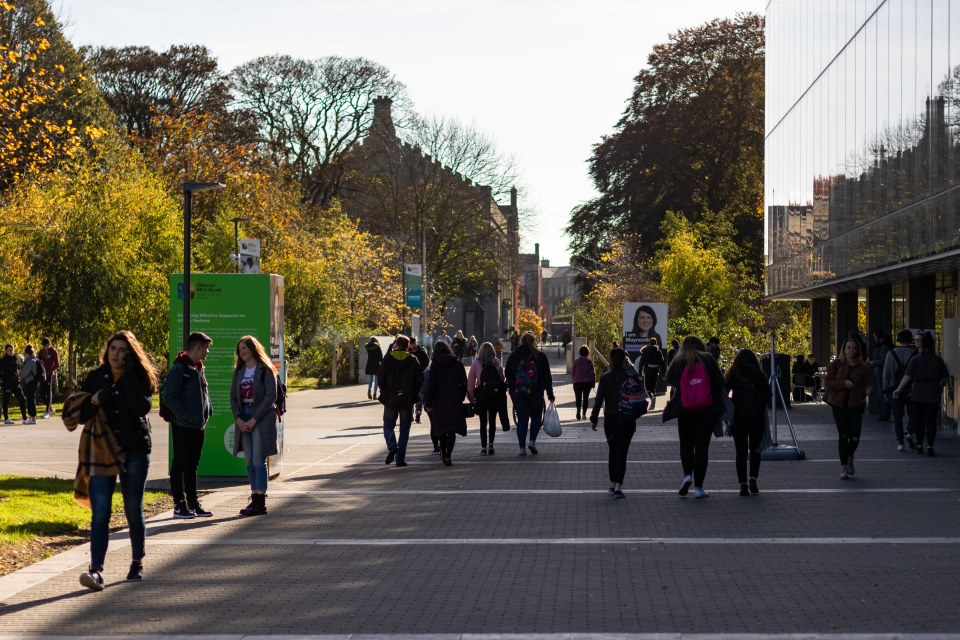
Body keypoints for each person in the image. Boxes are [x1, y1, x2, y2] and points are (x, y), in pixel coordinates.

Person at [71, 330, 158, 590]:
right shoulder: (96, 377)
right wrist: (96, 399)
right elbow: (81, 414)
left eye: (122, 350)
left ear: (130, 354)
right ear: (106, 352)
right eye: (113, 349)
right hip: (102, 452)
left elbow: (141, 408)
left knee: (133, 508)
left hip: (134, 450)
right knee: (100, 513)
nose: (117, 355)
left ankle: (136, 561)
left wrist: (129, 376)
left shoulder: (139, 376)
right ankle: (96, 570)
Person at [664, 336, 725, 498]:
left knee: (686, 444)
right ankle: (699, 488)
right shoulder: (708, 359)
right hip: (707, 409)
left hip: (685, 409)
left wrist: (685, 386)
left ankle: (687, 475)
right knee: (702, 448)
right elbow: (719, 383)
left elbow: (668, 379)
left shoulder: (679, 361)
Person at [163, 332, 214, 519]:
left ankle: (193, 502)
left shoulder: (198, 368)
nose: (207, 351)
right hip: (183, 426)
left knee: (192, 465)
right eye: (206, 347)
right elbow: (169, 397)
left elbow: (203, 395)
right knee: (180, 464)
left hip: (197, 426)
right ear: (198, 347)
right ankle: (179, 504)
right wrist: (186, 415)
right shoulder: (180, 368)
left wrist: (207, 411)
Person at [229, 335, 279, 516]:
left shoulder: (265, 369)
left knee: (259, 460)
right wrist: (239, 419)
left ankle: (260, 499)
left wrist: (254, 419)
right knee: (249, 460)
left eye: (245, 348)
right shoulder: (239, 371)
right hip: (244, 418)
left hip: (260, 418)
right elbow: (233, 398)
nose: (242, 352)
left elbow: (270, 397)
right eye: (239, 349)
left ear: (253, 348)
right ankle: (253, 495)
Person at [589, 348, 641, 498]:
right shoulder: (630, 376)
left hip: (611, 418)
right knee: (622, 453)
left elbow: (599, 400)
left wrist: (594, 418)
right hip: (627, 418)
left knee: (613, 452)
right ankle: (619, 486)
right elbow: (638, 395)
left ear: (611, 359)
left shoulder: (605, 377)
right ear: (624, 359)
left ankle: (612, 484)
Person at [824, 337, 874, 480]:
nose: (851, 350)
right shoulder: (836, 365)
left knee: (855, 436)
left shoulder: (863, 367)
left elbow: (867, 383)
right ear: (844, 350)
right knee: (843, 435)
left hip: (855, 404)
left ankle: (850, 456)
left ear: (858, 350)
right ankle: (844, 467)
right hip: (838, 404)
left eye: (854, 348)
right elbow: (828, 383)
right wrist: (843, 384)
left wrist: (869, 390)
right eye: (848, 348)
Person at [893, 331, 949, 457]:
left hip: (917, 392)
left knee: (919, 420)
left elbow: (907, 376)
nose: (916, 342)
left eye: (919, 340)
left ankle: (919, 445)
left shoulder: (916, 359)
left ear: (923, 344)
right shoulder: (937, 360)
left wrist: (898, 389)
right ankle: (930, 445)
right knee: (931, 421)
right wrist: (939, 387)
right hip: (932, 392)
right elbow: (945, 377)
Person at [724, 348, 771, 496]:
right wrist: (760, 405)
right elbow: (768, 394)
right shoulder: (758, 374)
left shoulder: (734, 373)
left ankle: (742, 484)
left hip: (738, 418)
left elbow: (725, 392)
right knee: (755, 450)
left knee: (741, 452)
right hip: (755, 417)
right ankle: (753, 480)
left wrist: (732, 403)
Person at [505, 332, 554, 456]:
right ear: (534, 341)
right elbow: (547, 377)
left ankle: (522, 448)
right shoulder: (540, 356)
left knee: (522, 419)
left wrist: (511, 388)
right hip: (536, 392)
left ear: (521, 341)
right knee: (536, 418)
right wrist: (550, 394)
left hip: (518, 393)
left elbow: (507, 374)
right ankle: (532, 441)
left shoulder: (514, 356)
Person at [377, 334, 423, 467]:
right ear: (408, 346)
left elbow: (380, 377)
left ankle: (392, 445)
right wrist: (412, 392)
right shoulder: (413, 360)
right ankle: (400, 459)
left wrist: (384, 391)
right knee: (404, 429)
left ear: (396, 344)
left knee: (388, 425)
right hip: (406, 399)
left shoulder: (388, 359)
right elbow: (419, 380)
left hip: (390, 398)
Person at [423, 340, 467, 466]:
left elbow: (431, 386)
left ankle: (443, 451)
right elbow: (463, 381)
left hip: (439, 400)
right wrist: (461, 396)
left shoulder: (435, 365)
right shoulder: (457, 363)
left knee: (442, 428)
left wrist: (428, 402)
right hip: (454, 400)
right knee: (452, 429)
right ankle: (448, 454)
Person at [883, 329, 918, 451]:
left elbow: (886, 374)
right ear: (910, 339)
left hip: (895, 389)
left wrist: (885, 390)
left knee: (897, 416)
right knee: (913, 413)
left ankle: (900, 443)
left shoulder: (891, 354)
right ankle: (909, 432)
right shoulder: (916, 353)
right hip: (912, 389)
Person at [468, 342, 506, 455]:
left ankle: (483, 447)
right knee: (493, 420)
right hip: (494, 395)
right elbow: (502, 379)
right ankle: (491, 444)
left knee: (483, 422)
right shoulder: (496, 363)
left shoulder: (475, 364)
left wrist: (471, 398)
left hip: (482, 395)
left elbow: (470, 384)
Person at [1, 344, 27, 425]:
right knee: (6, 401)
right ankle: (6, 419)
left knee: (22, 399)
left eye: (12, 350)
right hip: (7, 384)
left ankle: (24, 418)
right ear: (6, 350)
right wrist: (4, 379)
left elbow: (18, 369)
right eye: (9, 350)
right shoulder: (2, 360)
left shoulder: (15, 359)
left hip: (16, 383)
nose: (11, 352)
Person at [868, 329, 891, 420]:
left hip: (881, 373)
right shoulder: (882, 346)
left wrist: (872, 362)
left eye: (874, 336)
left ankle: (885, 413)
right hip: (880, 372)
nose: (873, 338)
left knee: (882, 393)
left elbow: (883, 360)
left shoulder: (883, 347)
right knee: (881, 393)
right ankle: (885, 412)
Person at [18, 345, 44, 425]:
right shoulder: (34, 360)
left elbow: (23, 373)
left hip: (31, 382)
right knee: (31, 399)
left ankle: (33, 418)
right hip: (35, 382)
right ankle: (31, 417)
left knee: (30, 400)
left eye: (25, 354)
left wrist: (19, 372)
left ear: (27, 354)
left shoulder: (30, 361)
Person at [638, 337, 665, 410]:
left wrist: (640, 374)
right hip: (655, 372)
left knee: (647, 388)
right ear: (656, 343)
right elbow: (662, 364)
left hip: (647, 371)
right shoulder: (658, 352)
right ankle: (653, 400)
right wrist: (664, 374)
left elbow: (641, 363)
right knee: (653, 388)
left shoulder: (645, 351)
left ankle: (652, 398)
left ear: (649, 343)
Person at [408, 336, 430, 423]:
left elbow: (427, 363)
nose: (412, 346)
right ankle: (410, 416)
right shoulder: (408, 353)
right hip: (410, 378)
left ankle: (418, 415)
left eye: (414, 343)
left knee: (419, 398)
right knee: (410, 397)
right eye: (411, 344)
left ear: (416, 343)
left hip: (420, 378)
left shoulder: (422, 352)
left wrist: (420, 369)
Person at [571, 345, 596, 421]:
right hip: (587, 382)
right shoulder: (589, 362)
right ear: (587, 352)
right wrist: (593, 382)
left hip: (577, 382)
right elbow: (592, 373)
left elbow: (573, 372)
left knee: (578, 398)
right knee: (585, 398)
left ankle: (578, 409)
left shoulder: (576, 361)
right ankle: (584, 414)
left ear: (580, 353)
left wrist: (573, 379)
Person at [38, 337, 60, 418]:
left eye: (46, 345)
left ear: (49, 344)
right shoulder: (41, 352)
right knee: (41, 393)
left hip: (50, 375)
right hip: (42, 375)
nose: (45, 347)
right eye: (44, 346)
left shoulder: (53, 352)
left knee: (48, 391)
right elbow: (39, 361)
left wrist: (50, 370)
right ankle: (50, 409)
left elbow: (57, 364)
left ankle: (47, 411)